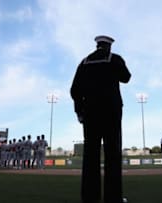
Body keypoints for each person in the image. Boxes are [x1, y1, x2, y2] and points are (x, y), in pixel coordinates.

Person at [70, 35, 131, 203]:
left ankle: (90, 197)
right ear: (109, 46)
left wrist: (79, 111)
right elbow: (126, 77)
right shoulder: (114, 59)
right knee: (112, 154)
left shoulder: (84, 62)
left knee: (90, 155)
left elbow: (75, 90)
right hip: (111, 113)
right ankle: (113, 198)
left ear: (97, 45)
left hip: (90, 114)